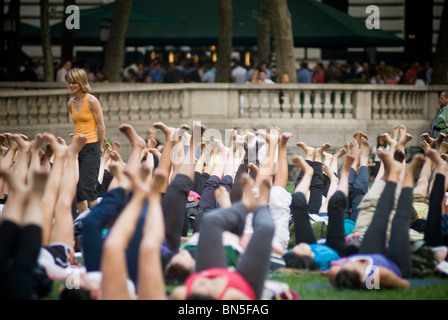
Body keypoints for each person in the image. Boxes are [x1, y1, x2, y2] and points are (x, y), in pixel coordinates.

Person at [328, 150, 425, 289]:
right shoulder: (375, 277)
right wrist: (374, 280)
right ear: (361, 276)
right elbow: (404, 285)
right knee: (400, 221)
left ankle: (393, 173)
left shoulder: (338, 272)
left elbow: (335, 273)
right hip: (396, 264)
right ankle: (409, 175)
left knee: (380, 215)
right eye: (351, 265)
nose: (349, 262)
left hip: (368, 255)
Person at [169, 174, 275, 300]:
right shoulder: (232, 297)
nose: (202, 283)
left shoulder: (181, 294)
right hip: (243, 283)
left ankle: (246, 204)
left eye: (198, 287)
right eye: (204, 288)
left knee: (210, 220)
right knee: (266, 228)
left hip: (211, 271)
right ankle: (262, 204)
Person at [66, 68, 106, 215]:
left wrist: (99, 147)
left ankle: (102, 223)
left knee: (87, 190)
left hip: (91, 147)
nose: (71, 85)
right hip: (76, 149)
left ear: (81, 82)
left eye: (74, 82)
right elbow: (78, 125)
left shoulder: (92, 101)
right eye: (69, 82)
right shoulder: (71, 103)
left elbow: (101, 126)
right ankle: (82, 225)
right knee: (76, 191)